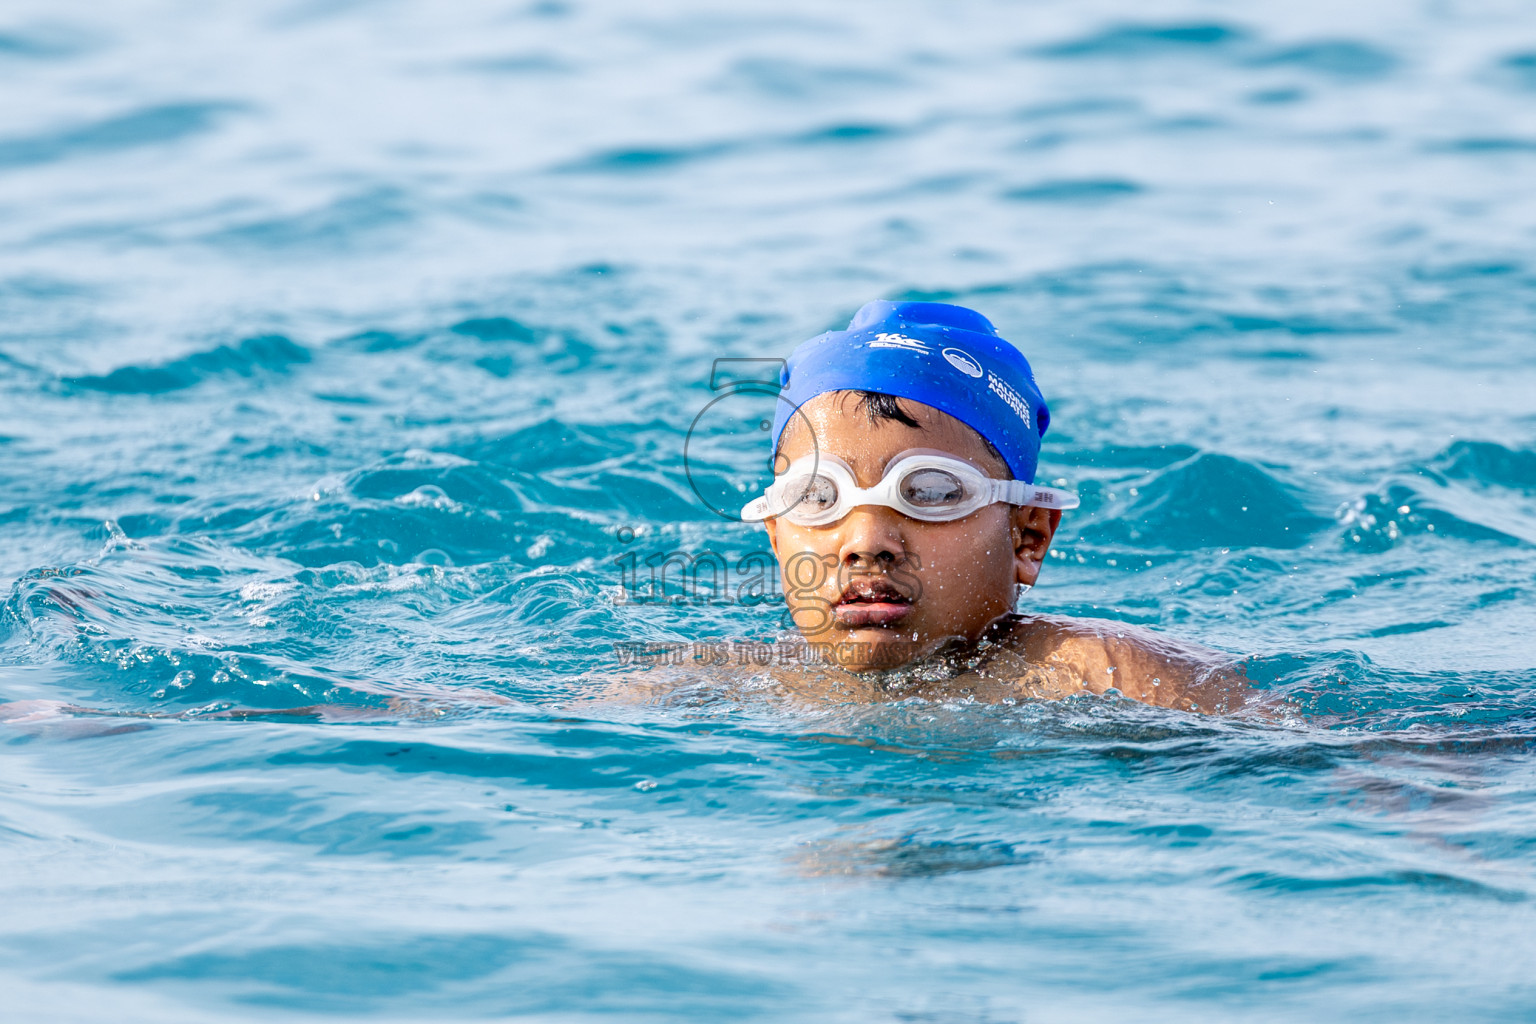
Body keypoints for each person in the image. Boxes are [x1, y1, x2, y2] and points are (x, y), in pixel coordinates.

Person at [724, 299, 1248, 713]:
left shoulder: (1109, 675)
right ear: (776, 536)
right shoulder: (736, 679)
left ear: (1027, 538)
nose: (866, 545)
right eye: (817, 497)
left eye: (930, 492)